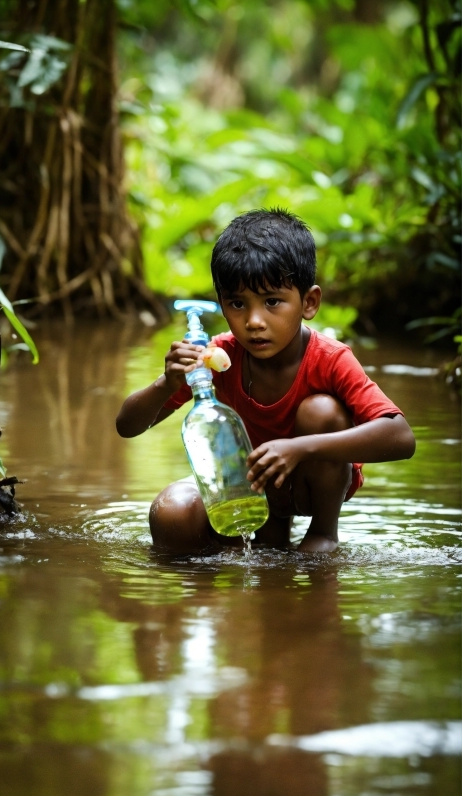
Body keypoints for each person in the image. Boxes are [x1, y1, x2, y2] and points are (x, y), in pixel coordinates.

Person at [116, 208, 416, 554]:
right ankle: (242, 559)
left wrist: (298, 449)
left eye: (272, 301)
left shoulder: (330, 359)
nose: (254, 321)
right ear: (222, 305)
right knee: (173, 514)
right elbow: (127, 426)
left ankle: (322, 535)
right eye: (238, 304)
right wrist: (166, 385)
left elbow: (401, 437)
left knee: (321, 411)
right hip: (247, 490)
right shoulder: (216, 358)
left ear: (309, 302)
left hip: (310, 484)